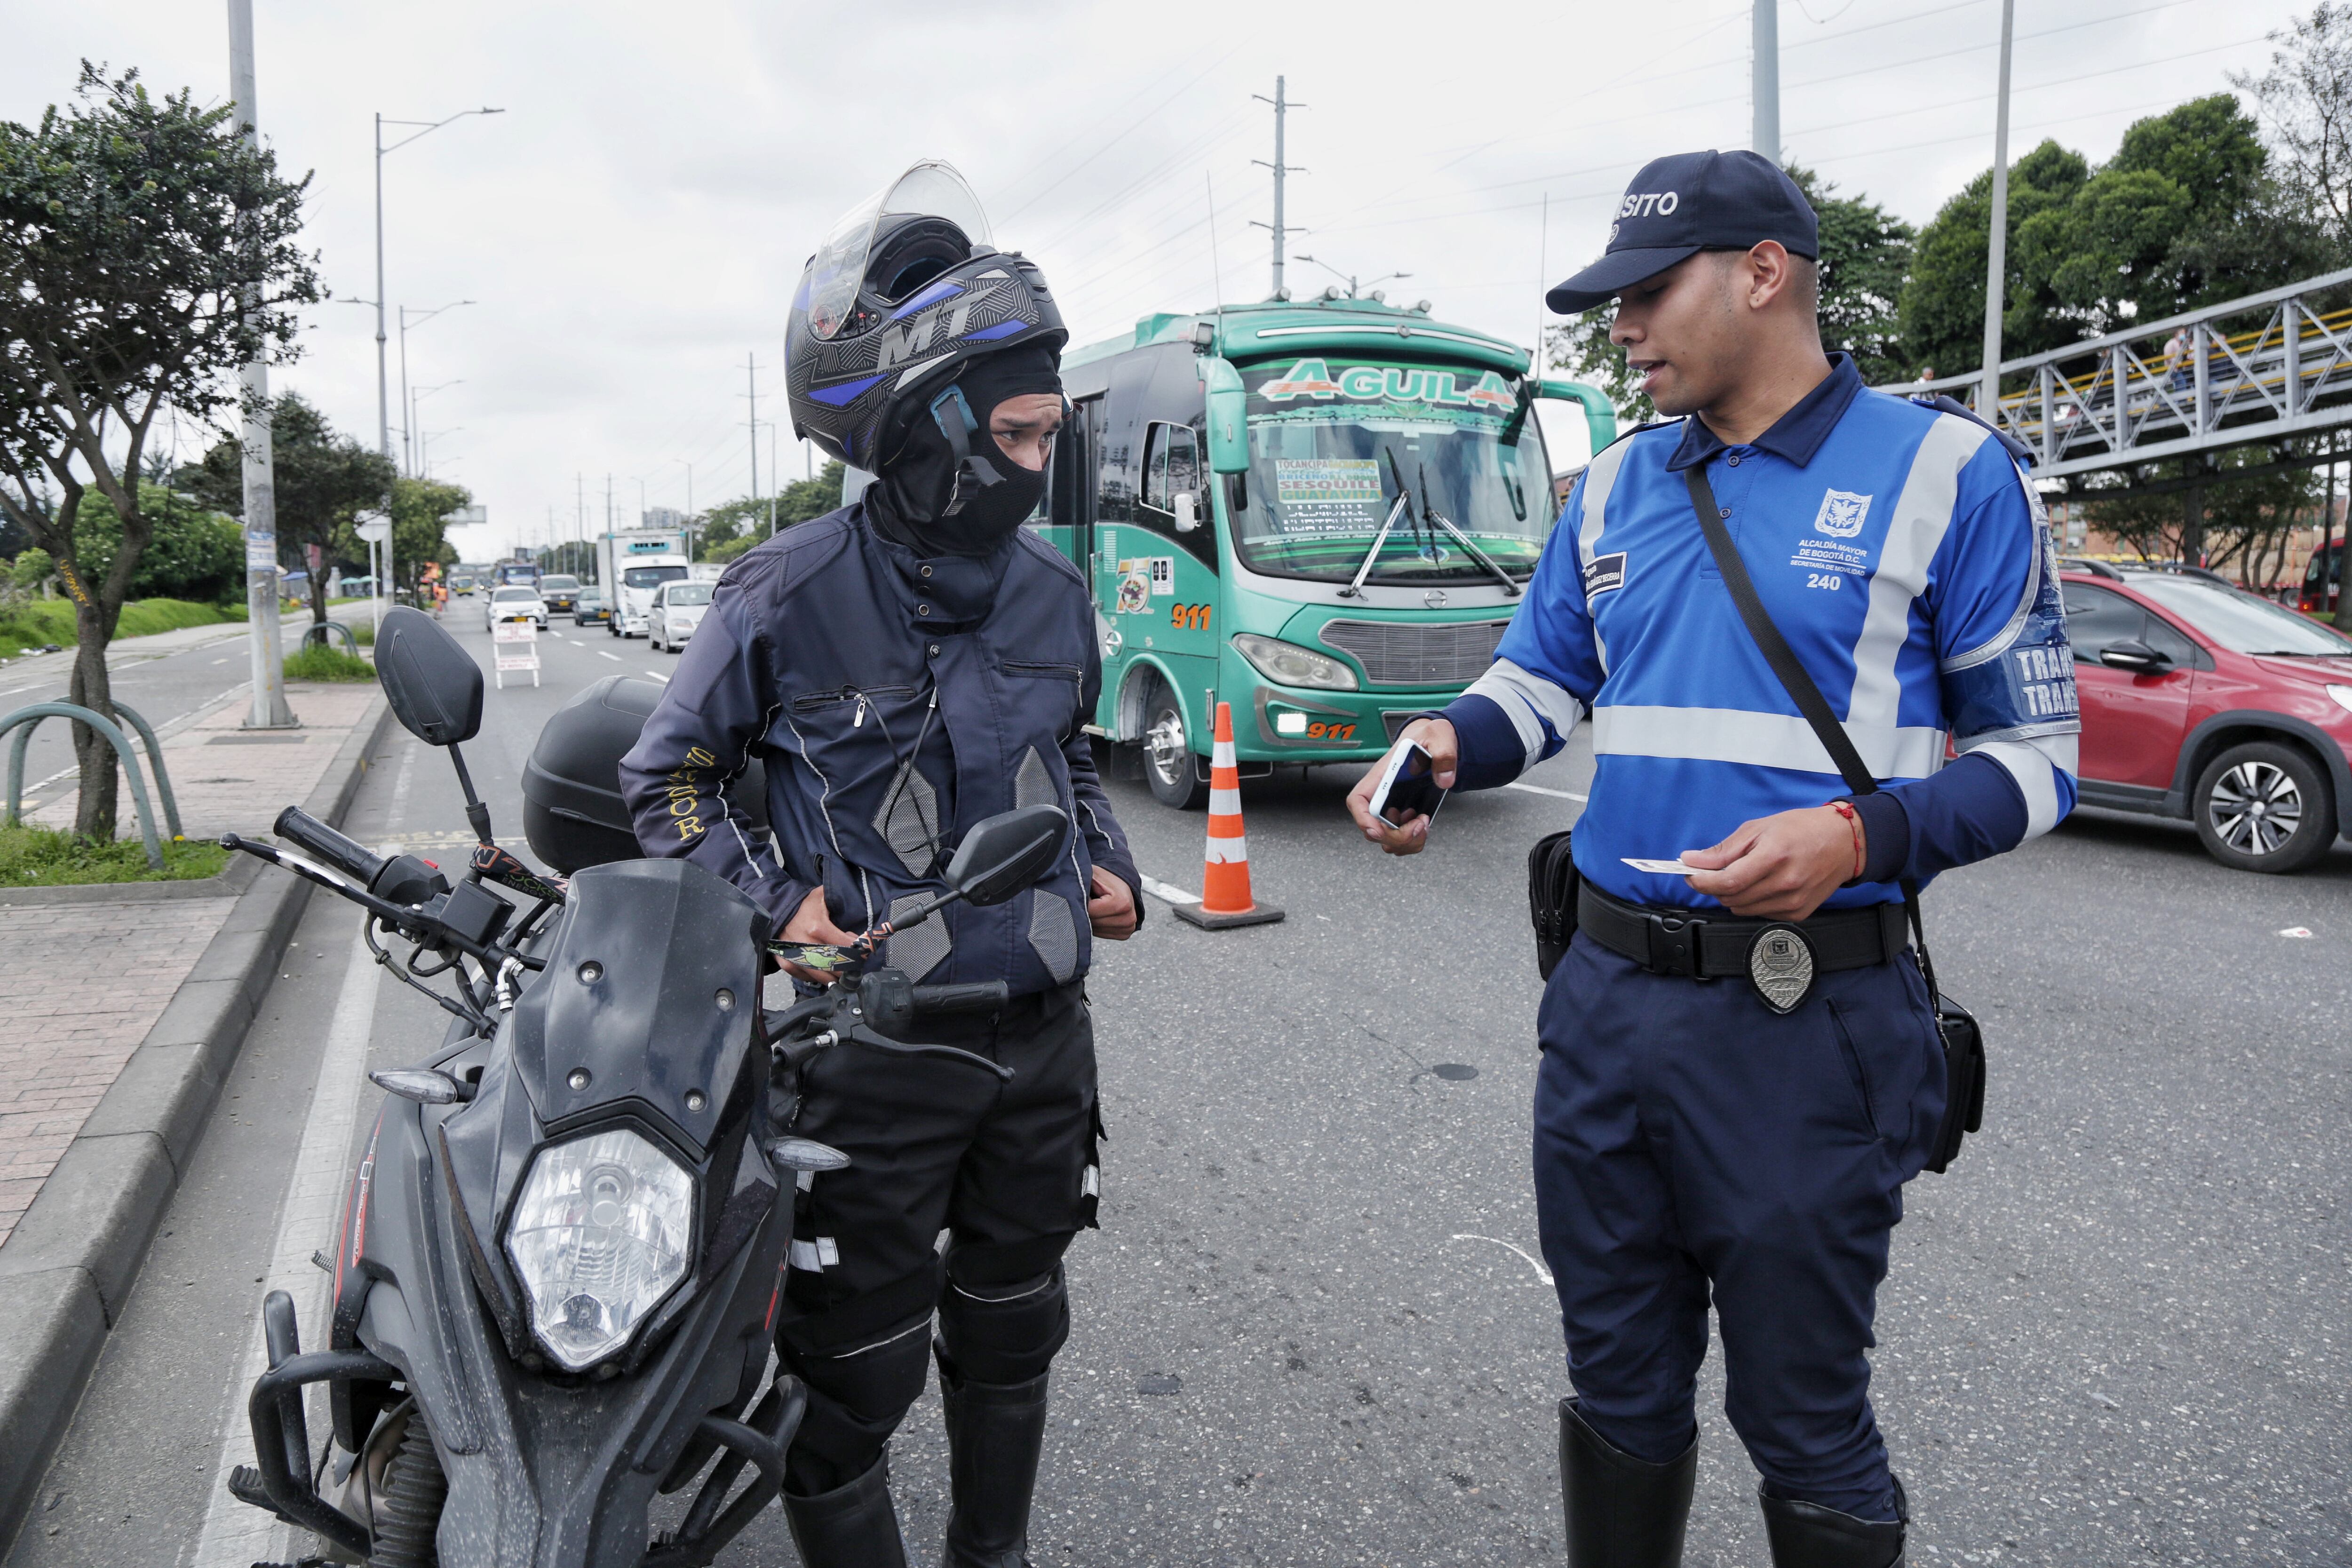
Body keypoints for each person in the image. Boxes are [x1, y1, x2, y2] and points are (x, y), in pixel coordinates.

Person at [1347, 150, 2078, 1568]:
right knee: (1615, 1383)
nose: (1617, 324)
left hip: (1811, 1024)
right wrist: (1441, 744)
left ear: (1762, 274)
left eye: (1645, 292)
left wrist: (1862, 833)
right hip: (1607, 1010)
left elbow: (2041, 764)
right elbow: (1540, 685)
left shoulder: (1947, 473)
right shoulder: (1615, 486)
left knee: (1805, 1418)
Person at [619, 161, 1141, 1568]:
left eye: (1051, 433)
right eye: (1023, 436)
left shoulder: (1056, 597)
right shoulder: (780, 594)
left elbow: (1070, 758)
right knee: (854, 1382)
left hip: (1041, 1047)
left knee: (1015, 1328)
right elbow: (663, 781)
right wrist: (775, 905)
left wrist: (1110, 869)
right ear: (936, 433)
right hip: (871, 1054)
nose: (1044, 463)